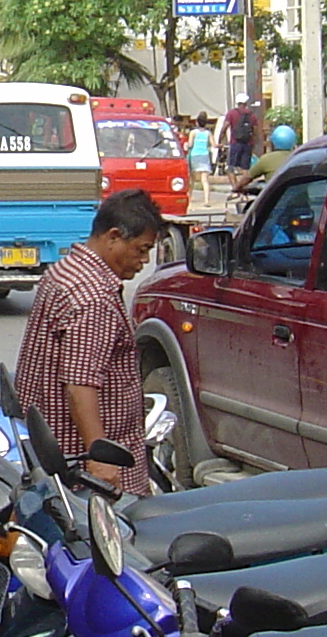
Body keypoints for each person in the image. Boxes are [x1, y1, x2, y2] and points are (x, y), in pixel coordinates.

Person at [14, 189, 161, 497]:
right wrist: (99, 457)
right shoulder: (94, 298)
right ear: (113, 237)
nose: (144, 261)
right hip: (83, 467)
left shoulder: (66, 271)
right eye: (141, 249)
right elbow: (80, 384)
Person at [185, 118, 214, 200]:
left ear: (197, 123)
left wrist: (186, 145)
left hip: (194, 155)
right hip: (205, 155)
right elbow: (213, 144)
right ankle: (207, 200)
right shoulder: (208, 133)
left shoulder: (193, 132)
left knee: (192, 179)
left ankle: (189, 198)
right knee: (205, 180)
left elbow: (190, 144)